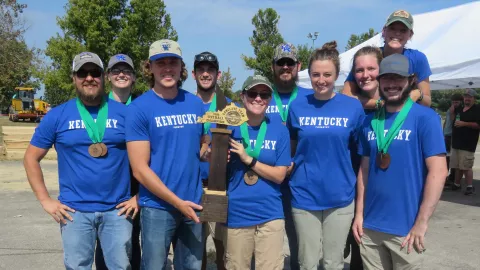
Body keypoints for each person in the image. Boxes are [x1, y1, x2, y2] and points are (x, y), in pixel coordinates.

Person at [23, 52, 134, 269]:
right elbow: (30, 158)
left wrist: (139, 197)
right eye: (83, 73)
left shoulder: (126, 114)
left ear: (104, 77)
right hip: (74, 212)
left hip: (117, 211)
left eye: (94, 73)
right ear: (74, 77)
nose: (89, 78)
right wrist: (45, 200)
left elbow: (149, 156)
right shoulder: (57, 115)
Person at [353, 54, 447, 269]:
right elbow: (365, 170)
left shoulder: (425, 118)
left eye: (398, 78)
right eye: (386, 78)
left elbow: (438, 172)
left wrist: (421, 223)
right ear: (379, 81)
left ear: (410, 80)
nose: (392, 84)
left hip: (406, 231)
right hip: (371, 228)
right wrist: (359, 215)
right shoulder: (369, 121)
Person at [126, 39, 207, 270]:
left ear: (182, 68)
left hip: (193, 202)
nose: (167, 68)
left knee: (191, 267)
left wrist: (212, 154)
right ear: (149, 67)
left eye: (173, 62)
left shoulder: (194, 103)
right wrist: (177, 202)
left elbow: (201, 146)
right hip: (157, 206)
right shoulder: (139, 108)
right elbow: (140, 170)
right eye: (161, 63)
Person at [287, 41, 365, 270]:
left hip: (340, 197)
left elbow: (359, 154)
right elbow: (292, 148)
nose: (321, 80)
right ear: (308, 75)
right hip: (304, 195)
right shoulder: (297, 107)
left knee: (333, 263)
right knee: (307, 263)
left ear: (337, 75)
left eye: (327, 74)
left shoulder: (352, 107)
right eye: (315, 74)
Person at [225, 75, 290, 270]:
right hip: (237, 213)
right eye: (253, 93)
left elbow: (280, 175)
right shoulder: (230, 128)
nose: (258, 98)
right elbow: (210, 158)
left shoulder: (279, 130)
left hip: (270, 214)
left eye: (264, 94)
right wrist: (214, 156)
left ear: (270, 99)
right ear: (242, 96)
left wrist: (249, 160)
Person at [95, 53, 141, 270]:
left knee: (133, 240)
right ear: (108, 76)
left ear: (133, 77)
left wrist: (139, 194)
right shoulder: (96, 107)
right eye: (116, 70)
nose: (121, 74)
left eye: (126, 71)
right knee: (103, 243)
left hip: (136, 186)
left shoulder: (142, 107)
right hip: (105, 187)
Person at [267, 42, 310, 270]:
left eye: (290, 63)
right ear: (273, 66)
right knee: (268, 241)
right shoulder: (260, 95)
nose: (285, 67)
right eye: (280, 63)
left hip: (300, 182)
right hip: (269, 181)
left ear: (298, 66)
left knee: (299, 244)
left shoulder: (311, 97)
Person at [344, 45, 383, 270]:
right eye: (359, 70)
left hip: (381, 192)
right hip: (351, 188)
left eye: (371, 68)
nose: (365, 75)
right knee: (357, 252)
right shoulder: (349, 107)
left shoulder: (396, 109)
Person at [342, 9, 432, 108]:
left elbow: (427, 101)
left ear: (410, 35)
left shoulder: (417, 58)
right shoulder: (370, 57)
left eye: (403, 30)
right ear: (384, 31)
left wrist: (418, 94)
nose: (397, 33)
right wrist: (380, 105)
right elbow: (346, 95)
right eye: (392, 28)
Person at [192, 51, 227, 270]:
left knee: (224, 248)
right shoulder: (183, 105)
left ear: (218, 74)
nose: (206, 74)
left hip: (221, 186)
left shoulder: (230, 107)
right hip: (192, 188)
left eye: (210, 70)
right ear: (194, 74)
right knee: (195, 250)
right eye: (201, 70)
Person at [450, 89, 480, 195]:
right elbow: (454, 121)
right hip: (456, 142)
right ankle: (457, 184)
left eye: (470, 97)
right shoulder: (460, 108)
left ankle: (470, 186)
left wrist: (464, 124)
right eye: (466, 96)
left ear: (474, 98)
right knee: (457, 166)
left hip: (468, 144)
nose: (467, 98)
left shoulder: (477, 109)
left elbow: (478, 125)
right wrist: (452, 112)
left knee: (467, 166)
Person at [443, 94, 463, 186]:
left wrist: (452, 112)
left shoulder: (459, 110)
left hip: (452, 135)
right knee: (445, 156)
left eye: (456, 102)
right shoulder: (450, 108)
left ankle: (452, 177)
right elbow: (447, 121)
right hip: (446, 135)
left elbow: (454, 120)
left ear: (460, 102)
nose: (454, 104)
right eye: (453, 102)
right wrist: (442, 132)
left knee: (451, 158)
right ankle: (446, 176)